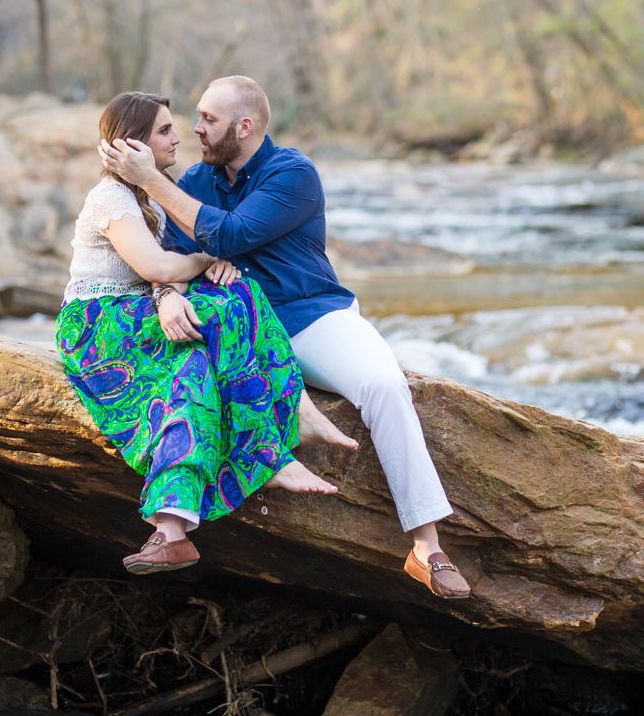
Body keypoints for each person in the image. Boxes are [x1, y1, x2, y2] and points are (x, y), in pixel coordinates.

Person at [99, 76, 472, 599]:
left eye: (209, 119)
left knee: (384, 386)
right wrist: (167, 298)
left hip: (310, 319)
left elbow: (230, 235)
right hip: (237, 327)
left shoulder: (292, 173)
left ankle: (427, 548)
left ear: (244, 126)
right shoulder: (200, 184)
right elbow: (167, 260)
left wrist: (155, 183)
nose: (196, 128)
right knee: (181, 383)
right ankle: (173, 527)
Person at [58, 91, 357, 575]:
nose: (181, 136)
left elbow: (171, 269)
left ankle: (172, 527)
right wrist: (209, 258)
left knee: (203, 358)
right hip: (99, 324)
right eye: (164, 130)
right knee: (230, 307)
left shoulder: (153, 193)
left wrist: (207, 268)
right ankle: (275, 443)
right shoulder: (111, 195)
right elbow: (156, 265)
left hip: (138, 311)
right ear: (133, 146)